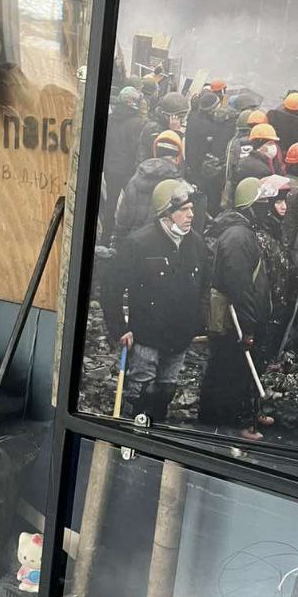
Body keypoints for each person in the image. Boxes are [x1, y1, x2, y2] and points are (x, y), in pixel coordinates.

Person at [100, 178, 208, 423]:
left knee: (166, 390)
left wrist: (196, 324)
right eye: (183, 209)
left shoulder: (197, 244)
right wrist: (120, 328)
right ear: (165, 213)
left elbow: (203, 287)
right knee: (140, 391)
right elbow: (111, 288)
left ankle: (156, 430)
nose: (191, 214)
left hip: (179, 337)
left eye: (191, 208)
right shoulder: (139, 243)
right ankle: (131, 434)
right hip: (146, 336)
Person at [198, 177, 272, 441]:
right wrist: (248, 323)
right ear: (250, 205)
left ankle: (224, 419)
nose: (268, 208)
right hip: (235, 321)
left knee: (229, 368)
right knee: (231, 370)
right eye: (263, 203)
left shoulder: (241, 232)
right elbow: (239, 284)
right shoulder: (238, 237)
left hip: (238, 318)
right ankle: (229, 425)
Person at [253, 174, 296, 364]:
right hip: (268, 300)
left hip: (278, 295)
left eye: (284, 201)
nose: (283, 206)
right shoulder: (262, 234)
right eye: (278, 202)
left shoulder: (277, 228)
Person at [113, 130, 184, 242]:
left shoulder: (135, 178)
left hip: (133, 241)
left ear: (156, 152)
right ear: (177, 158)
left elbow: (122, 217)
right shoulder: (177, 185)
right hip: (159, 243)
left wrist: (118, 241)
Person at [102, 86, 147, 237]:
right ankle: (124, 237)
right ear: (131, 102)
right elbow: (137, 150)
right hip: (129, 171)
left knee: (111, 203)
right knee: (131, 205)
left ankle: (105, 237)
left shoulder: (110, 119)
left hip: (111, 169)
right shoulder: (138, 123)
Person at [184, 87, 233, 214]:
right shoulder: (207, 126)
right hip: (201, 168)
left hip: (192, 164)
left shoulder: (193, 116)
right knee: (207, 198)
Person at [136, 90, 189, 167]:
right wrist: (174, 133)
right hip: (152, 170)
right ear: (168, 116)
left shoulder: (163, 126)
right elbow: (169, 157)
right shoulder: (154, 130)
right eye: (180, 117)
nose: (182, 121)